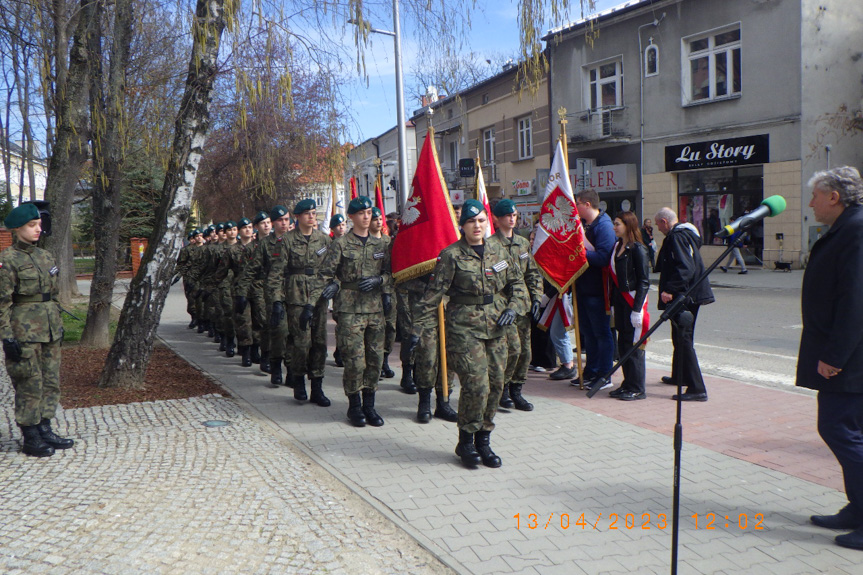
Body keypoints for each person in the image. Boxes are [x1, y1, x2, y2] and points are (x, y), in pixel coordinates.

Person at [411, 199, 523, 468]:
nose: (477, 225)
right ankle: (466, 440)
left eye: (481, 220)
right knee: (476, 385)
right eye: (471, 221)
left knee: (496, 383)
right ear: (462, 226)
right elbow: (431, 297)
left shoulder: (499, 250)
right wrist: (418, 332)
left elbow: (518, 283)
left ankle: (484, 439)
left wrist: (514, 306)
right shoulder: (451, 255)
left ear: (488, 222)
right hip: (463, 329)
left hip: (496, 325)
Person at [797, 166, 863, 551]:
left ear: (834, 197)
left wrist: (834, 356)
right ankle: (857, 509)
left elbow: (855, 300)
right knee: (846, 430)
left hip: (850, 361)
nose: (811, 204)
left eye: (816, 196)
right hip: (847, 357)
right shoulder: (847, 227)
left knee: (840, 429)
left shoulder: (855, 229)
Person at [0, 203, 74, 457]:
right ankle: (30, 435)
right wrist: (7, 336)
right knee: (29, 383)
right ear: (18, 228)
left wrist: (59, 323)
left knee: (51, 381)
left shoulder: (45, 257)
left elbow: (53, 295)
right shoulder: (7, 259)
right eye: (32, 226)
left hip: (50, 329)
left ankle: (45, 427)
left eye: (39, 225)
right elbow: (3, 302)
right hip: (25, 332)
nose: (37, 230)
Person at [316, 196, 392, 427]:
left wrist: (380, 281)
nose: (367, 217)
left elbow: (391, 273)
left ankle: (370, 405)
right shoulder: (340, 244)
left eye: (369, 212)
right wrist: (336, 285)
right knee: (355, 361)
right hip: (349, 310)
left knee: (375, 359)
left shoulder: (382, 244)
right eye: (361, 213)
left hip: (375, 309)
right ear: (351, 217)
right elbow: (326, 275)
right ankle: (354, 406)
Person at [272, 199, 332, 406]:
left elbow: (333, 268)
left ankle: (317, 386)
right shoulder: (287, 240)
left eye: (314, 213)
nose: (311, 216)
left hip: (319, 296)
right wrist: (277, 301)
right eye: (307, 213)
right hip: (296, 295)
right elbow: (277, 272)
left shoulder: (324, 240)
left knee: (320, 343)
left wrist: (334, 285)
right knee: (301, 342)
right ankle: (298, 380)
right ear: (297, 217)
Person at [654, 207, 714, 401]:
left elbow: (685, 268)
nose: (657, 228)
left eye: (658, 224)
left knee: (684, 339)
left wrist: (669, 289)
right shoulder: (686, 234)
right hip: (690, 294)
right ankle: (680, 376)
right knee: (679, 337)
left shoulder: (677, 237)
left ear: (664, 221)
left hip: (684, 296)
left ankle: (697, 388)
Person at [490, 199, 543, 410]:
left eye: (514, 215)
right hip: (504, 308)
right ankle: (502, 390)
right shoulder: (491, 245)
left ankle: (517, 391)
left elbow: (532, 272)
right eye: (507, 216)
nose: (512, 219)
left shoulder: (522, 243)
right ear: (497, 219)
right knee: (511, 350)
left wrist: (537, 298)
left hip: (524, 307)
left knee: (525, 353)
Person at [572, 189, 616, 391]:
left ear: (587, 204)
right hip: (583, 288)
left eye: (577, 203)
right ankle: (591, 370)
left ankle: (604, 374)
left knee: (601, 333)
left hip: (597, 291)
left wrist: (580, 254)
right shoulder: (587, 225)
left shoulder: (603, 226)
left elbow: (603, 258)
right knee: (588, 333)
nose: (575, 207)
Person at [607, 212, 650, 401]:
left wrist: (637, 309)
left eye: (617, 224)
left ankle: (638, 387)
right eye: (614, 224)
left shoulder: (638, 249)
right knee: (623, 344)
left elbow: (644, 281)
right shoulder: (617, 246)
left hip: (633, 300)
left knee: (634, 345)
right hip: (621, 302)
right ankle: (627, 383)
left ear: (628, 225)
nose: (614, 227)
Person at [371, 207, 396, 379]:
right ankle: (376, 364)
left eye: (380, 219)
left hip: (389, 291)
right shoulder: (366, 242)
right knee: (375, 330)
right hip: (372, 294)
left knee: (390, 328)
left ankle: (385, 359)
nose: (379, 222)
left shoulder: (388, 242)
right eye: (375, 219)